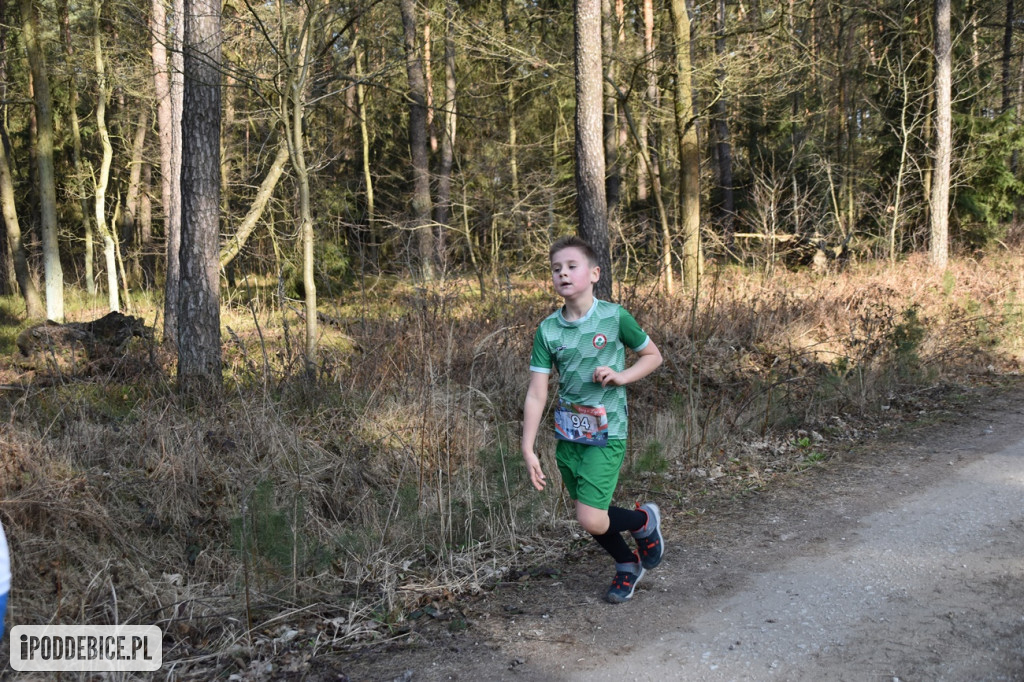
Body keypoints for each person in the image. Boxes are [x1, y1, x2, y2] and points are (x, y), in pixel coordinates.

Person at [521, 235, 664, 603]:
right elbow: (537, 392)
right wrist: (528, 446)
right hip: (570, 434)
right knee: (588, 513)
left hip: (609, 430)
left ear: (595, 273)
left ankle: (643, 522)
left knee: (590, 517)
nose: (563, 274)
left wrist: (621, 376)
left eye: (571, 266)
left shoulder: (615, 317)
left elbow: (652, 356)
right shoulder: (548, 330)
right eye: (556, 269)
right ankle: (627, 564)